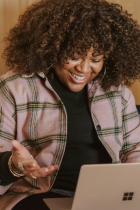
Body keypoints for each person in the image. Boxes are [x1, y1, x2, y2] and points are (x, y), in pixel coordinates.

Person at [1, 0, 140, 209]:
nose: (84, 68)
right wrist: (15, 165)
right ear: (52, 49)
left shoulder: (119, 94)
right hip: (36, 195)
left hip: (106, 197)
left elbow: (135, 149)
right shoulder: (14, 88)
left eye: (95, 58)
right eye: (74, 56)